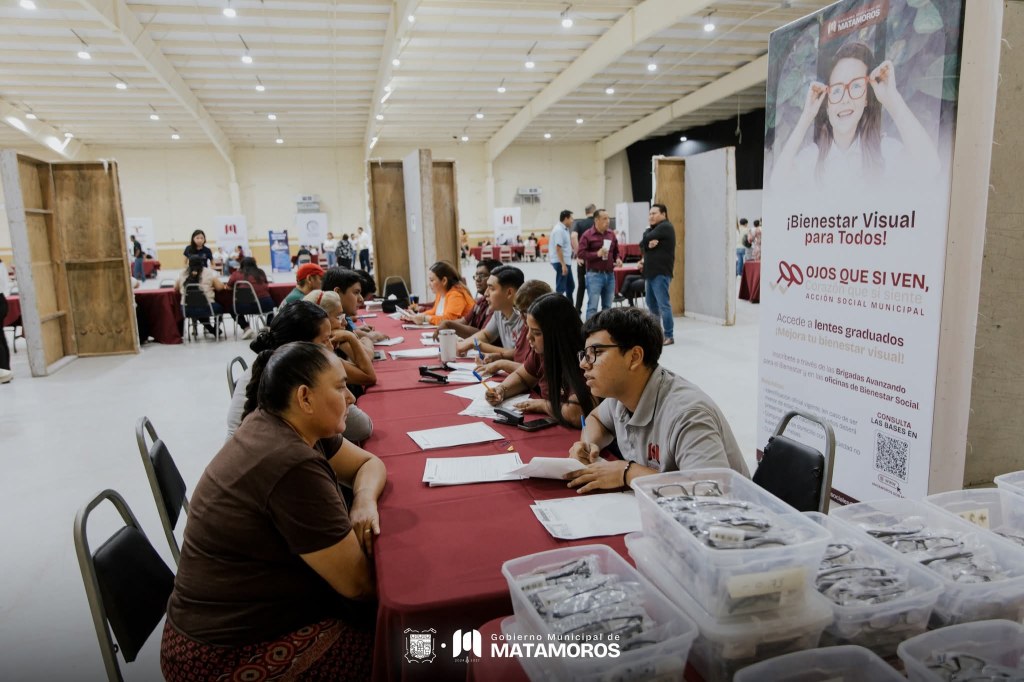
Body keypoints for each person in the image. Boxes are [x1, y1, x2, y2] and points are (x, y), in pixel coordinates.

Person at [164, 341, 384, 681]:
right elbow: (358, 584)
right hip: (224, 655)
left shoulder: (289, 424)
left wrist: (364, 500)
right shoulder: (289, 462)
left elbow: (369, 464)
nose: (351, 397)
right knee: (415, 649)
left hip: (223, 626)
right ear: (305, 398)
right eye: (340, 388)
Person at [564, 308, 749, 494]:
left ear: (634, 357)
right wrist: (589, 445)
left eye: (596, 352)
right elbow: (596, 419)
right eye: (585, 354)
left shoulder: (688, 414)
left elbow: (713, 492)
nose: (584, 363)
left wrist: (627, 472)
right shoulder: (621, 397)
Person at [771, 41, 940, 193]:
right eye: (837, 89)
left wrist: (892, 100)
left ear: (866, 99)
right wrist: (807, 116)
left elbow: (930, 169)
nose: (845, 99)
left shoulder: (884, 151)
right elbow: (778, 186)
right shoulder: (813, 157)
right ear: (827, 103)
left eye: (856, 86)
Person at [226, 301, 374, 443]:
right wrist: (352, 337)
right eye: (325, 340)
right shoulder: (300, 375)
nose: (331, 347)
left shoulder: (269, 361)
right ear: (303, 346)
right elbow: (361, 427)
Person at [484, 293, 596, 427]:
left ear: (557, 334)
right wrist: (502, 389)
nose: (528, 337)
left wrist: (543, 405)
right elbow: (522, 377)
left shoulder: (583, 359)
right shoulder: (543, 351)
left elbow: (576, 414)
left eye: (537, 333)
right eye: (528, 330)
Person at [474, 279, 551, 376]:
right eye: (518, 311)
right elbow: (520, 352)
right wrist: (498, 356)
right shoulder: (527, 327)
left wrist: (501, 364)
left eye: (525, 312)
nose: (521, 317)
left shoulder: (544, 333)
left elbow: (532, 371)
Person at [305, 291, 377, 392]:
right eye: (338, 317)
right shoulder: (318, 354)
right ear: (321, 320)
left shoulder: (329, 341)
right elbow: (369, 377)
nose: (345, 322)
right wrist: (351, 337)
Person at [456, 265, 525, 359]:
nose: (485, 293)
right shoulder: (499, 312)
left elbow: (519, 354)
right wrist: (464, 344)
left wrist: (475, 344)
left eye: (491, 288)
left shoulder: (525, 317)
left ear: (509, 293)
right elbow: (486, 335)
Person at [435, 258, 501, 339]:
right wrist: (444, 324)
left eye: (482, 275)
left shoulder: (497, 305)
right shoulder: (481, 301)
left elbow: (484, 335)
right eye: (476, 276)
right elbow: (464, 321)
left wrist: (448, 324)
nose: (477, 279)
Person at [321, 267, 389, 346]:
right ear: (337, 293)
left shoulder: (341, 318)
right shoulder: (330, 326)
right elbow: (364, 357)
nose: (361, 299)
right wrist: (369, 337)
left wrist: (356, 330)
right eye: (356, 292)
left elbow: (351, 331)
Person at [640, 203, 676, 346]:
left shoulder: (665, 227)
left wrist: (647, 237)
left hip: (660, 272)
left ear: (663, 214)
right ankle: (657, 334)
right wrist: (648, 243)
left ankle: (669, 335)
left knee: (663, 305)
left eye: (654, 213)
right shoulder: (654, 230)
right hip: (650, 273)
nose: (651, 216)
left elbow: (644, 239)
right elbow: (642, 244)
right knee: (651, 304)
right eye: (650, 214)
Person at [578, 209, 622, 319]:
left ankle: (605, 332)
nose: (608, 221)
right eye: (604, 219)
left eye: (608, 218)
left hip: (610, 275)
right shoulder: (587, 235)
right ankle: (589, 333)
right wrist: (597, 254)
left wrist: (618, 259)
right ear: (596, 220)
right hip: (594, 275)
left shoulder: (611, 234)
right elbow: (581, 253)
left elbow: (616, 251)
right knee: (593, 307)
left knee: (607, 307)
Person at [409, 261, 475, 326]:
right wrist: (417, 316)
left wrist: (425, 318)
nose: (429, 284)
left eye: (432, 280)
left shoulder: (456, 295)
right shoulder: (440, 293)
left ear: (444, 281)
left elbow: (449, 320)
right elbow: (434, 311)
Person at [174, 255, 225, 336]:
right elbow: (220, 288)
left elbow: (176, 288)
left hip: (186, 309)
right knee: (219, 308)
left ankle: (210, 329)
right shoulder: (209, 273)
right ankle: (215, 328)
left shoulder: (182, 273)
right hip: (208, 307)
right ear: (202, 263)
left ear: (189, 264)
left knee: (196, 309)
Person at [227, 256, 275, 340]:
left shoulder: (236, 274)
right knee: (272, 304)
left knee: (231, 309)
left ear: (241, 265)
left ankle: (246, 328)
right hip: (263, 305)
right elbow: (266, 285)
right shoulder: (260, 272)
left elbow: (228, 287)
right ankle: (268, 326)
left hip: (243, 307)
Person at [572, 203, 595, 313]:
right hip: (595, 259)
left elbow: (573, 236)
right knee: (594, 286)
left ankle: (577, 309)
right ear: (594, 211)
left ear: (586, 212)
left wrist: (579, 254)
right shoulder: (597, 223)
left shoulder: (579, 224)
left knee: (581, 285)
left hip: (582, 259)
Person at [550, 210, 575, 300]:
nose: (572, 220)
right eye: (571, 218)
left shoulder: (565, 229)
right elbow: (558, 248)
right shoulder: (559, 230)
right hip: (561, 262)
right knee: (561, 288)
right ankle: (557, 309)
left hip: (565, 262)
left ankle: (569, 307)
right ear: (566, 218)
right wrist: (563, 265)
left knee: (570, 286)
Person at [0, 257, 11, 384]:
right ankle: (6, 370)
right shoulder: (1, 264)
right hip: (2, 300)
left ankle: (3, 371)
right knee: (1, 337)